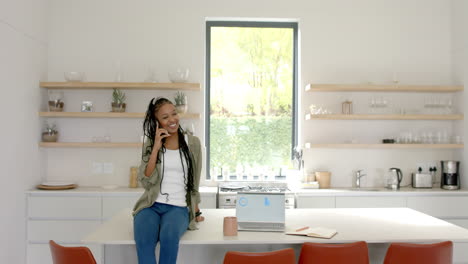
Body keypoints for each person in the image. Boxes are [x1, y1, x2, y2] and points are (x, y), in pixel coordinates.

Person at [133, 97, 204, 264]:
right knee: (144, 241)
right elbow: (145, 180)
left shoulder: (192, 143)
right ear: (157, 122)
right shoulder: (151, 143)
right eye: (165, 117)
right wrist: (156, 148)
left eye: (174, 113)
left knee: (169, 237)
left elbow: (195, 181)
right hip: (151, 205)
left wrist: (196, 210)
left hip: (178, 207)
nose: (172, 119)